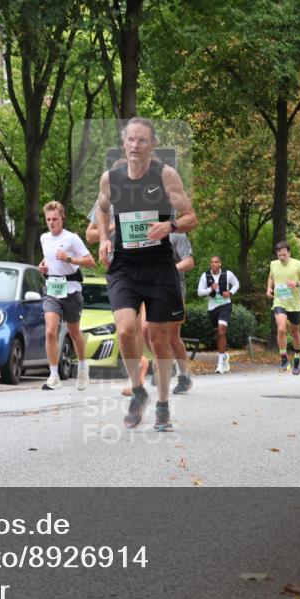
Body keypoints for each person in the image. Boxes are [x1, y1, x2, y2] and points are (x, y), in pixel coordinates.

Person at [96, 118, 197, 431]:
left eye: (142, 141)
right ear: (124, 143)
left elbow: (190, 217)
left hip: (158, 267)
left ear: (152, 145)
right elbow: (101, 209)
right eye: (131, 140)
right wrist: (102, 238)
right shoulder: (111, 178)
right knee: (125, 329)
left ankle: (164, 406)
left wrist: (171, 226)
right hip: (125, 266)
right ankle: (138, 391)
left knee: (158, 338)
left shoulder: (165, 175)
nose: (135, 146)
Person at [37, 201, 95, 390]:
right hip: (52, 287)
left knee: (74, 332)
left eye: (55, 219)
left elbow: (90, 262)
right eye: (48, 219)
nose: (51, 222)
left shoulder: (72, 239)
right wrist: (42, 267)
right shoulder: (44, 238)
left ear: (62, 218)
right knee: (50, 330)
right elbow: (48, 258)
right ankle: (54, 375)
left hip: (71, 288)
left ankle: (83, 370)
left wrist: (69, 258)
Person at [266, 241, 300, 375]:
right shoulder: (274, 264)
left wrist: (297, 283)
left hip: (294, 304)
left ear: (289, 253)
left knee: (295, 333)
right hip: (279, 302)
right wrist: (269, 288)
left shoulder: (297, 264)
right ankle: (284, 358)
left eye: (284, 255)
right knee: (281, 328)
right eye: (279, 255)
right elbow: (271, 277)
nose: (282, 257)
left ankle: (297, 357)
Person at [197, 256, 240, 374]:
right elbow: (200, 292)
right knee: (219, 334)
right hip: (212, 308)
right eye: (211, 262)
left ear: (220, 264)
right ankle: (224, 356)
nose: (213, 264)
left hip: (225, 305)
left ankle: (220, 364)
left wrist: (230, 293)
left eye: (216, 262)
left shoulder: (228, 274)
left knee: (221, 331)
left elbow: (236, 284)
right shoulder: (205, 276)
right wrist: (210, 289)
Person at [169, 232, 195, 393]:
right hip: (148, 287)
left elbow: (189, 261)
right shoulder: (141, 231)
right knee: (146, 330)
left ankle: (184, 375)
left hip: (173, 288)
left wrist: (168, 270)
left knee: (172, 336)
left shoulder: (177, 234)